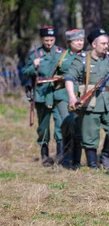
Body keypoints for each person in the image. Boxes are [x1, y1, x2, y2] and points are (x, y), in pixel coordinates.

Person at [64, 28, 109, 171]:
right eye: (103, 44)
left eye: (107, 43)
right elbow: (69, 78)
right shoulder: (83, 59)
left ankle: (105, 155)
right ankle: (92, 165)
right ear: (94, 44)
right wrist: (72, 97)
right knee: (90, 134)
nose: (106, 46)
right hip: (90, 99)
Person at [22, 26, 64, 166]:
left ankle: (60, 155)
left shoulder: (61, 53)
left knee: (60, 124)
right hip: (41, 94)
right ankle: (45, 155)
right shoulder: (35, 54)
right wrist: (33, 67)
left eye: (51, 40)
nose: (49, 43)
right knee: (43, 127)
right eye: (46, 40)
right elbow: (25, 72)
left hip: (57, 94)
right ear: (42, 39)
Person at [53, 29, 85, 168]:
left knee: (78, 126)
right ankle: (65, 156)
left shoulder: (87, 56)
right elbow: (49, 77)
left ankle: (76, 159)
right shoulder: (61, 56)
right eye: (76, 40)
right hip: (63, 95)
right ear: (69, 42)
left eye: (81, 40)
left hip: (81, 94)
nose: (79, 42)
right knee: (68, 122)